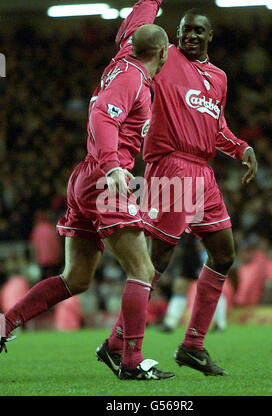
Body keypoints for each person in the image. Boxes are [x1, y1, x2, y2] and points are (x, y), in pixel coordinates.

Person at [0, 18, 174, 381]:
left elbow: (137, 21)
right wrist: (112, 166)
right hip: (106, 180)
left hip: (84, 178)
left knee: (76, 278)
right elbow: (100, 116)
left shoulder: (122, 62)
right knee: (142, 270)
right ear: (163, 52)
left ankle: (4, 325)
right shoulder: (133, 79)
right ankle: (130, 360)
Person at [102, 0, 258, 377]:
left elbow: (217, 126)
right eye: (185, 29)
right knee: (156, 261)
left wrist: (242, 148)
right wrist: (148, 6)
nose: (189, 35)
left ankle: (192, 345)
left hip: (203, 173)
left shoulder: (218, 77)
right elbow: (133, 37)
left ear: (209, 36)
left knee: (224, 254)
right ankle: (116, 343)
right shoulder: (165, 58)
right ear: (176, 34)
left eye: (197, 30)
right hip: (170, 165)